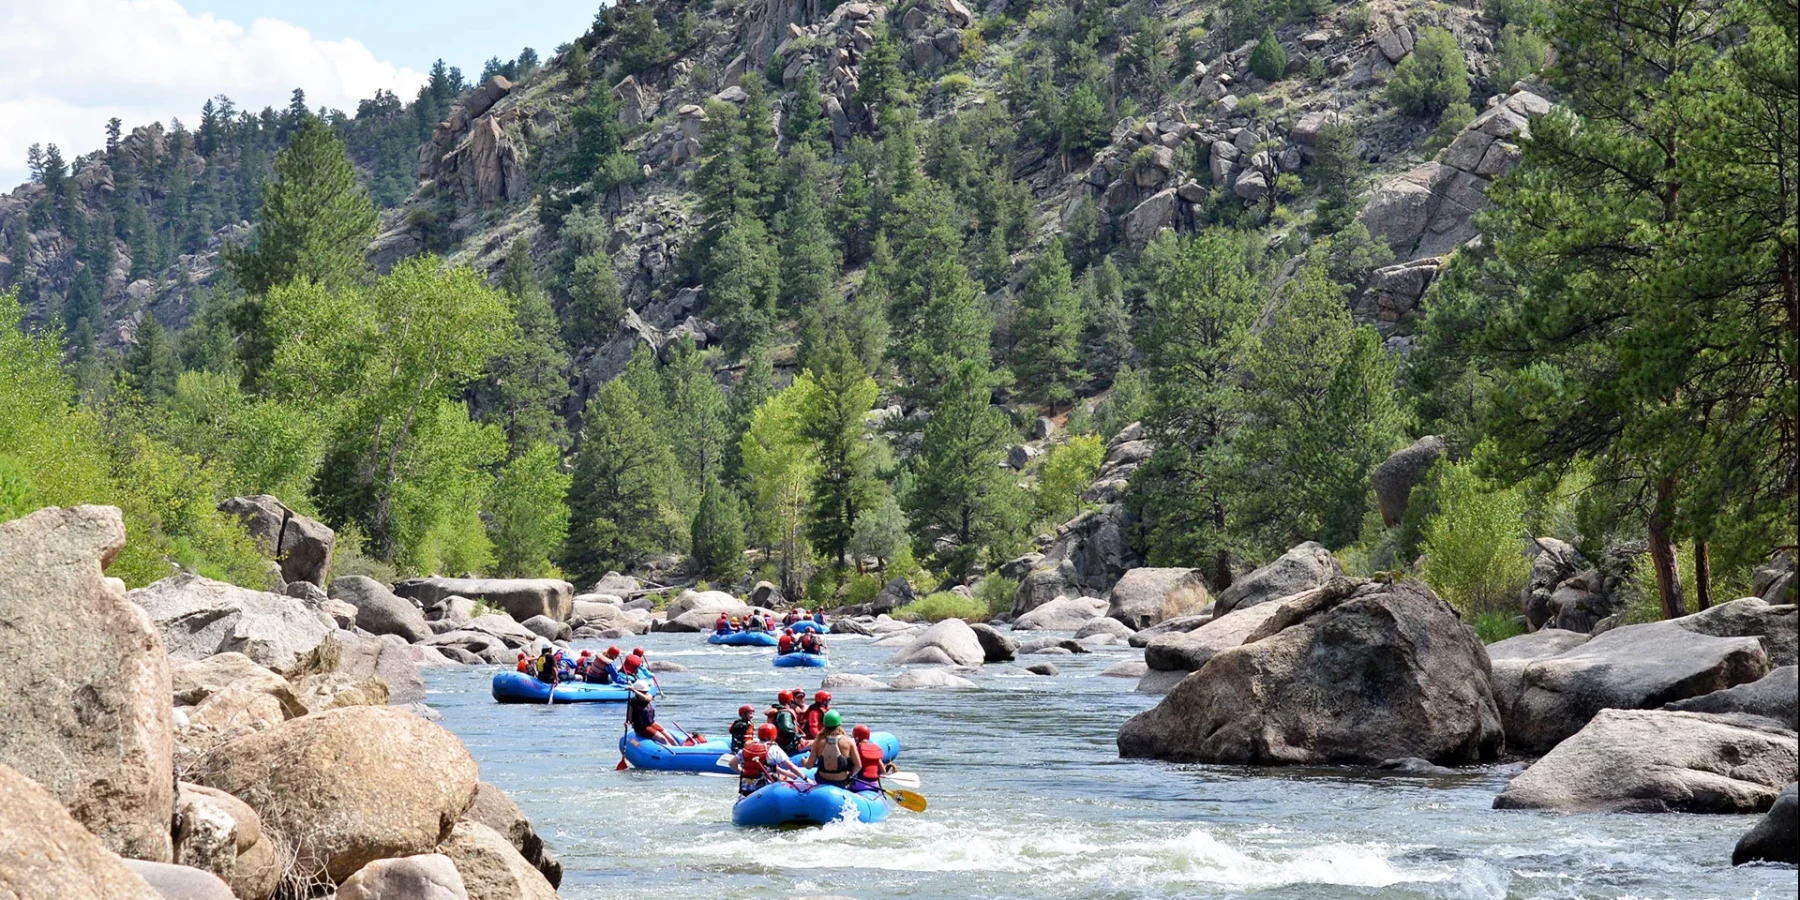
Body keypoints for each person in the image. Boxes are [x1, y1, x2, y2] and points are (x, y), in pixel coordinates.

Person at [733, 724, 804, 797]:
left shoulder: (748, 747)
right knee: (782, 779)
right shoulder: (774, 749)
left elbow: (732, 763)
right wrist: (806, 778)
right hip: (765, 789)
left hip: (746, 789)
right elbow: (791, 767)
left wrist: (743, 772)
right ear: (774, 735)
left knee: (783, 776)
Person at [807, 711, 858, 790]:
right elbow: (858, 766)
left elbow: (809, 766)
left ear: (824, 725)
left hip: (822, 781)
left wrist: (804, 762)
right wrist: (850, 774)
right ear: (839, 725)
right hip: (842, 782)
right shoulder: (848, 741)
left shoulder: (818, 742)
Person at [625, 680, 677, 745]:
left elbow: (645, 698)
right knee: (662, 739)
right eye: (643, 692)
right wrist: (627, 723)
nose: (645, 693)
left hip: (651, 723)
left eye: (646, 691)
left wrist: (634, 690)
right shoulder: (632, 702)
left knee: (671, 739)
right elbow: (629, 718)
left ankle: (679, 749)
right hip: (641, 728)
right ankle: (672, 751)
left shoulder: (648, 696)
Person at [848, 724, 892, 794]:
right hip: (874, 786)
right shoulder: (875, 749)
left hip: (858, 786)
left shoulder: (856, 749)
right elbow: (883, 772)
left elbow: (857, 767)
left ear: (856, 737)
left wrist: (850, 776)